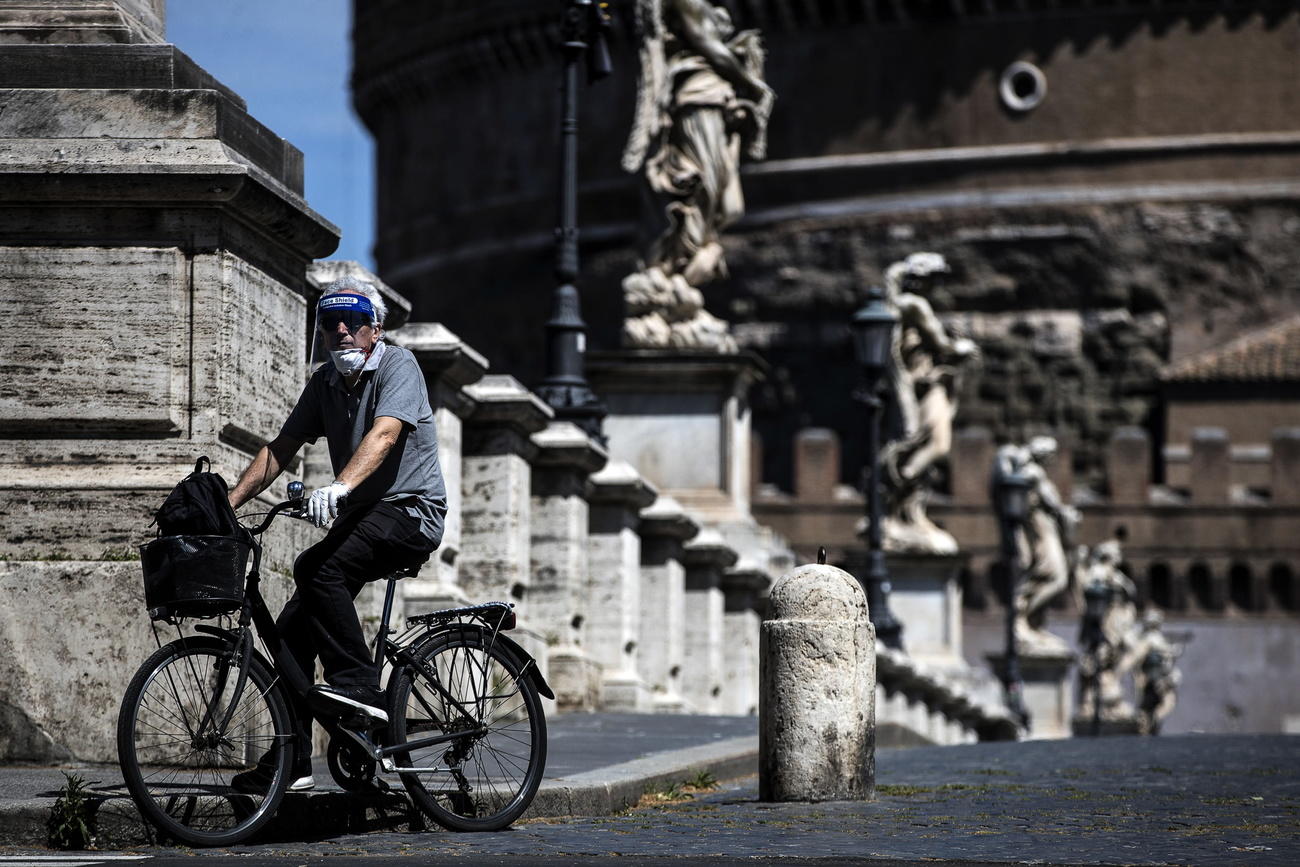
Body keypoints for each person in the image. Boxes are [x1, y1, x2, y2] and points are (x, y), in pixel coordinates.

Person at [226, 275, 446, 791]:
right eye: (329, 322)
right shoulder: (324, 382)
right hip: (364, 518)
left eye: (354, 320)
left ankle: (360, 689)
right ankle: (294, 761)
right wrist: (226, 504)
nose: (341, 330)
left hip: (411, 513)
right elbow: (282, 447)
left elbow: (386, 432)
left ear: (376, 327)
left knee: (315, 567)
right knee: (290, 633)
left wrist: (341, 484)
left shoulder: (399, 366)